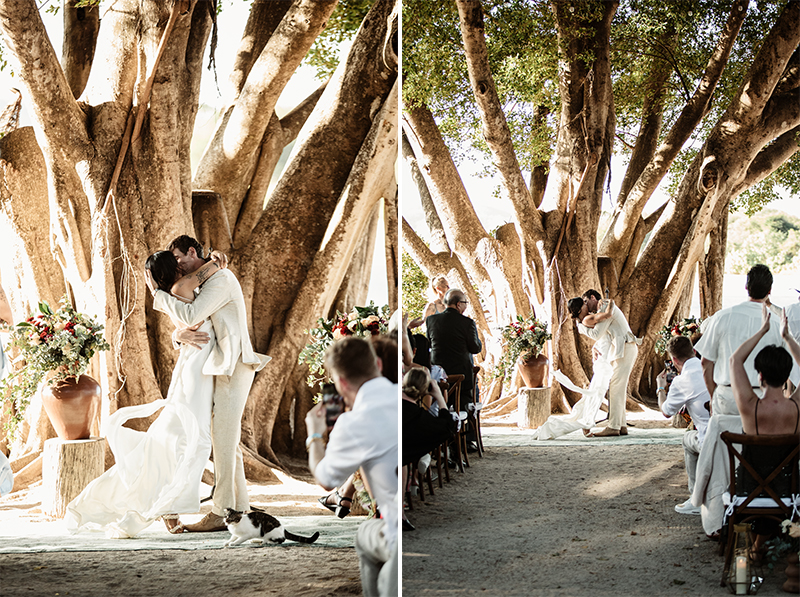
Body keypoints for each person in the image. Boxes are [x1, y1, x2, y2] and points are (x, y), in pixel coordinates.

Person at [67, 251, 223, 537]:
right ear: (174, 268)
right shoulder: (182, 288)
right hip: (195, 373)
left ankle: (168, 506)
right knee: (189, 439)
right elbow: (217, 267)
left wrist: (157, 294)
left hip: (194, 366)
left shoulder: (173, 294)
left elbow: (183, 327)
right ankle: (168, 505)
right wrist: (215, 259)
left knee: (177, 439)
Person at [146, 235, 271, 532]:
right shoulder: (204, 278)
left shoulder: (221, 279)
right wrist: (178, 337)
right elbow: (192, 326)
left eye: (179, 260)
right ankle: (238, 507)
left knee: (224, 439)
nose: (179, 268)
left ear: (192, 252)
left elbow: (193, 314)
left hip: (234, 364)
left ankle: (221, 510)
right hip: (218, 364)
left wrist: (157, 295)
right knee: (226, 439)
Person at [305, 337, 398, 597]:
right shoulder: (402, 396)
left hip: (397, 537)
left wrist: (314, 435)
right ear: (377, 364)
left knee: (364, 534)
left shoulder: (353, 423)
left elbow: (325, 478)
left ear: (341, 382)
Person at [694, 264, 799, 416]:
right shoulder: (777, 324)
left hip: (727, 397)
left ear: (746, 286)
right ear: (769, 291)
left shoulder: (722, 317)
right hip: (763, 400)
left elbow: (705, 363)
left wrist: (713, 396)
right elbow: (791, 367)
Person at [566, 290, 639, 437]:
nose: (587, 306)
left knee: (615, 388)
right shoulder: (601, 309)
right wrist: (595, 347)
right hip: (621, 349)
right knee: (617, 387)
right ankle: (621, 425)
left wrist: (581, 327)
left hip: (625, 348)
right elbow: (605, 334)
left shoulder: (605, 307)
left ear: (593, 298)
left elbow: (597, 333)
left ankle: (613, 426)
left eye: (586, 302)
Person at [656, 335, 711, 515]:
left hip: (708, 440)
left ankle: (696, 498)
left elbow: (666, 411)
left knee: (687, 439)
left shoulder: (681, 381)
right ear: (694, 351)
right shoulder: (713, 369)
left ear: (674, 360)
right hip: (731, 434)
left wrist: (661, 388)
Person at [426, 288, 482, 409]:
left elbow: (429, 344)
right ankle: (469, 425)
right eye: (465, 303)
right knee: (469, 403)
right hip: (463, 380)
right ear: (458, 304)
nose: (466, 306)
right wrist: (479, 341)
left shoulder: (431, 321)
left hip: (439, 379)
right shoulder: (467, 323)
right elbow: (475, 348)